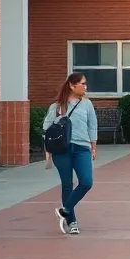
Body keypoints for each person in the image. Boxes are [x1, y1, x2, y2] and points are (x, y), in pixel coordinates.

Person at [43, 72, 97, 235]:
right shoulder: (57, 106)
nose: (85, 87)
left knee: (86, 182)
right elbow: (47, 128)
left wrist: (93, 146)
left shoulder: (87, 104)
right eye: (82, 84)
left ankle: (64, 210)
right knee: (67, 184)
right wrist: (48, 151)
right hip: (62, 150)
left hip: (82, 148)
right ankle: (71, 221)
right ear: (72, 86)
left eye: (85, 83)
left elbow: (92, 125)